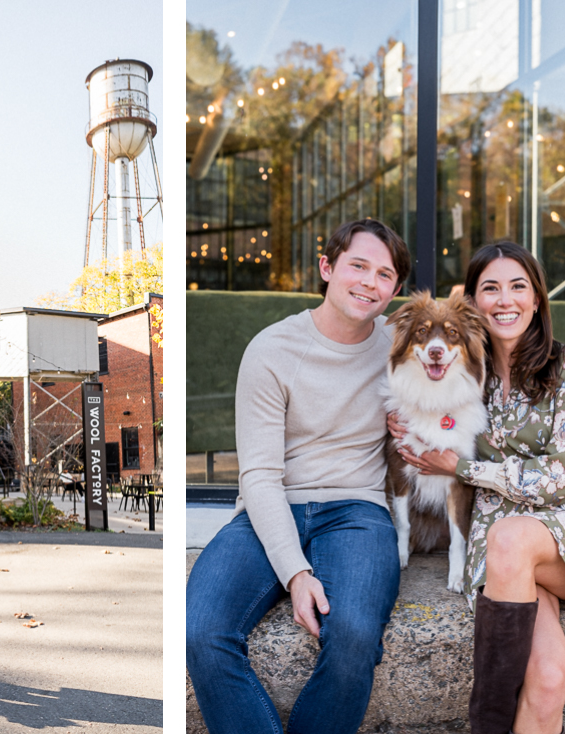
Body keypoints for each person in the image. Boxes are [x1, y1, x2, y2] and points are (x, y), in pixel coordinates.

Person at [394, 242, 565, 734]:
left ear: (538, 298)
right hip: (505, 555)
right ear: (473, 304)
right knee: (545, 677)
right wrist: (406, 427)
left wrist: (463, 468)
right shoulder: (463, 374)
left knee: (511, 535)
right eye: (491, 289)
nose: (505, 300)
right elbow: (413, 391)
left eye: (518, 286)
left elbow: (564, 478)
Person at [186, 218, 412, 734]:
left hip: (358, 512)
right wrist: (297, 572)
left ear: (395, 290)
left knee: (355, 637)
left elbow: (458, 385)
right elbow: (260, 478)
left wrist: (417, 424)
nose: (368, 283)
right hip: (271, 505)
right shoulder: (272, 350)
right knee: (201, 630)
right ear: (327, 268)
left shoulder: (402, 347)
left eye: (384, 275)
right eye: (358, 266)